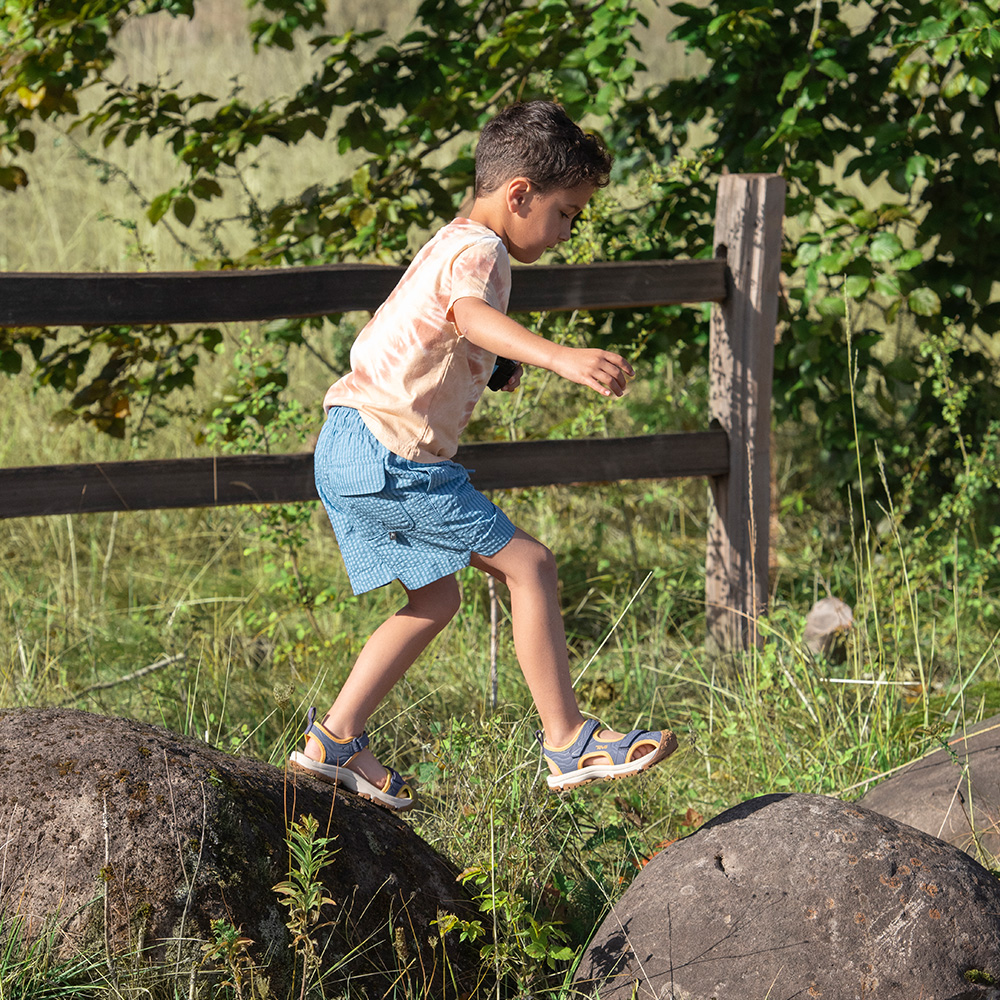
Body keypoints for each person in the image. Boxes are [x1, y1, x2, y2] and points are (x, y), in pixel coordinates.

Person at [289, 101, 677, 810]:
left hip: (346, 442)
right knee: (530, 566)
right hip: (391, 452)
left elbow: (434, 329)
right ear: (520, 194)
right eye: (566, 212)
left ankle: (335, 740)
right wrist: (558, 355)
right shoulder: (483, 251)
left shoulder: (451, 240)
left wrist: (494, 364)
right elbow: (467, 315)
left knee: (436, 598)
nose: (567, 230)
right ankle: (569, 741)